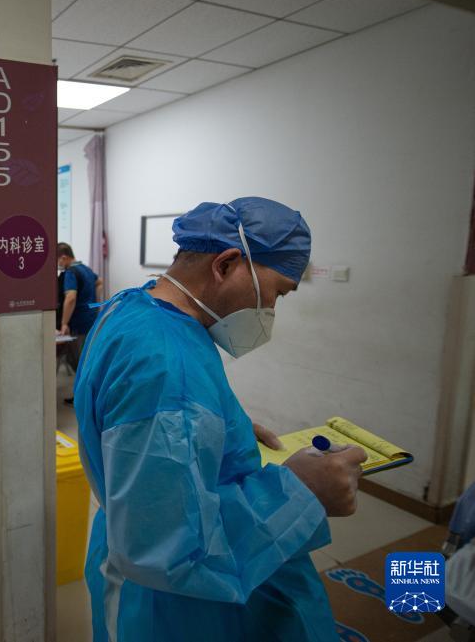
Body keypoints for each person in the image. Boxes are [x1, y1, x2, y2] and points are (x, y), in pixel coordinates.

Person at [74, 197, 367, 642]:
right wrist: (303, 490)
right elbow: (168, 548)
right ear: (226, 264)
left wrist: (226, 427)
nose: (271, 310)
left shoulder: (133, 308)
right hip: (175, 606)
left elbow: (128, 414)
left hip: (124, 546)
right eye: (277, 292)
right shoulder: (166, 362)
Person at [58, 243, 103, 402]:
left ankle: (84, 399)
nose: (58, 264)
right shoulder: (85, 269)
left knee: (79, 362)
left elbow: (70, 298)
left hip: (78, 322)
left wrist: (64, 323)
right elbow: (100, 282)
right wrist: (93, 303)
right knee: (87, 359)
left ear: (64, 257)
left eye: (58, 260)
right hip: (90, 319)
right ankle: (88, 396)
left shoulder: (71, 272)